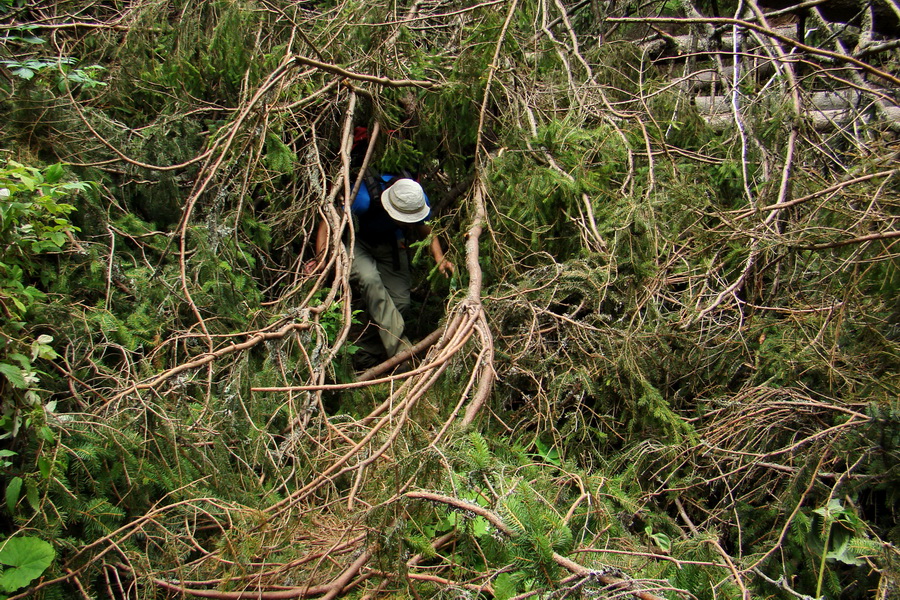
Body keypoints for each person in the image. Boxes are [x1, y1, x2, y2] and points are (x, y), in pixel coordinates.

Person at [307, 174, 454, 367]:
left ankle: (365, 354)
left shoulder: (416, 198)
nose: (409, 222)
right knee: (370, 280)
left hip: (391, 242)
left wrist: (439, 258)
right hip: (357, 241)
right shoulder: (362, 199)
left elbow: (425, 227)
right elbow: (327, 222)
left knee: (400, 302)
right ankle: (403, 355)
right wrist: (322, 261)